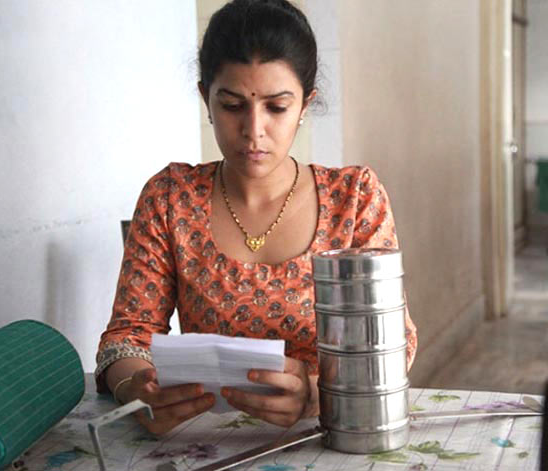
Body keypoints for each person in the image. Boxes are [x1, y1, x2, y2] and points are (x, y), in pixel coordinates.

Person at [95, 0, 417, 436]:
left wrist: (318, 395)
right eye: (231, 106)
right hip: (202, 439)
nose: (253, 130)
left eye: (276, 107)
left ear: (305, 105)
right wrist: (137, 391)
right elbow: (126, 338)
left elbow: (389, 341)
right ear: (205, 99)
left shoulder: (354, 199)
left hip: (332, 434)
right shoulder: (170, 198)